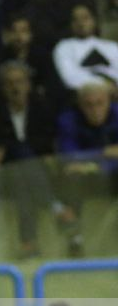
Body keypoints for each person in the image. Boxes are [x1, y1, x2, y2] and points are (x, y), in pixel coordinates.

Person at [0, 60, 71, 257]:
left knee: (23, 179)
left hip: (36, 168)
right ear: (3, 87)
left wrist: (13, 148)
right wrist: (14, 148)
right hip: (4, 171)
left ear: (28, 84)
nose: (15, 88)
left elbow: (46, 140)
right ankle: (54, 206)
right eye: (10, 83)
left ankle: (28, 242)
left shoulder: (41, 107)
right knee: (22, 158)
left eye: (19, 82)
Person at [56, 83, 118, 257]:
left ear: (109, 102)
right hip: (84, 178)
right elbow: (69, 157)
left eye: (100, 103)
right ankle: (75, 239)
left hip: (110, 174)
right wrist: (104, 153)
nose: (95, 110)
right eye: (89, 105)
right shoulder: (68, 120)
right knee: (72, 176)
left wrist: (94, 164)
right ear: (80, 105)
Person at [53, 4, 118, 91]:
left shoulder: (112, 47)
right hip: (87, 93)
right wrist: (105, 85)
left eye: (85, 18)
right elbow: (70, 78)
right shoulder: (64, 47)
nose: (80, 23)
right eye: (75, 19)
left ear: (94, 20)